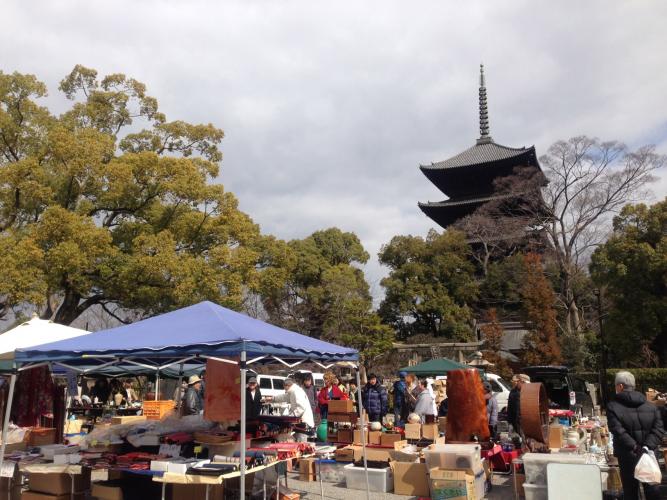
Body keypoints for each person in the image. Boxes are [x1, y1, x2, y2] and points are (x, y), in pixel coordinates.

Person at [607, 371, 664, 500]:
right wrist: (646, 447)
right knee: (652, 490)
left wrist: (635, 447)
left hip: (627, 455)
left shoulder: (612, 406)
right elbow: (659, 429)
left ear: (620, 386)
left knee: (630, 492)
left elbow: (618, 430)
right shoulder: (651, 407)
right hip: (649, 455)